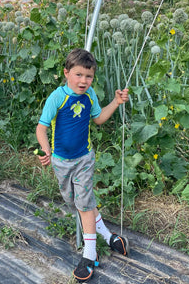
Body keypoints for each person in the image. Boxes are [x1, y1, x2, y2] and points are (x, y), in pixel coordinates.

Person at [35, 48, 130, 283]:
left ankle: (89, 254)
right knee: (75, 201)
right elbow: (42, 128)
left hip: (84, 158)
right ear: (66, 73)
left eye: (88, 76)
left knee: (84, 202)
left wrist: (116, 102)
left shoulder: (90, 96)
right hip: (60, 161)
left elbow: (98, 118)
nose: (83, 81)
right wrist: (46, 149)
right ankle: (107, 235)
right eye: (78, 75)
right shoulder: (58, 97)